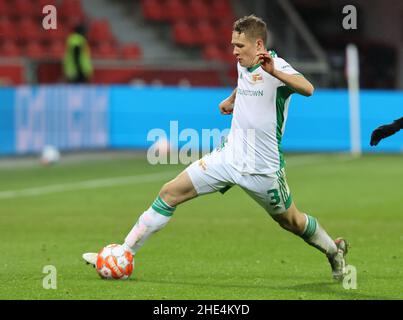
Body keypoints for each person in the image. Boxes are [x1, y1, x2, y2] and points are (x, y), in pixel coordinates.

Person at [83, 15, 348, 280]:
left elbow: (308, 88)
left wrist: (274, 72)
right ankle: (124, 253)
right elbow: (246, 81)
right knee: (169, 193)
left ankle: (333, 251)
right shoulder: (243, 64)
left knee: (291, 221)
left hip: (262, 170)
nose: (234, 51)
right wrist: (232, 99)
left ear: (258, 45)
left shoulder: (276, 67)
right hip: (228, 157)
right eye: (232, 45)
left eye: (239, 46)